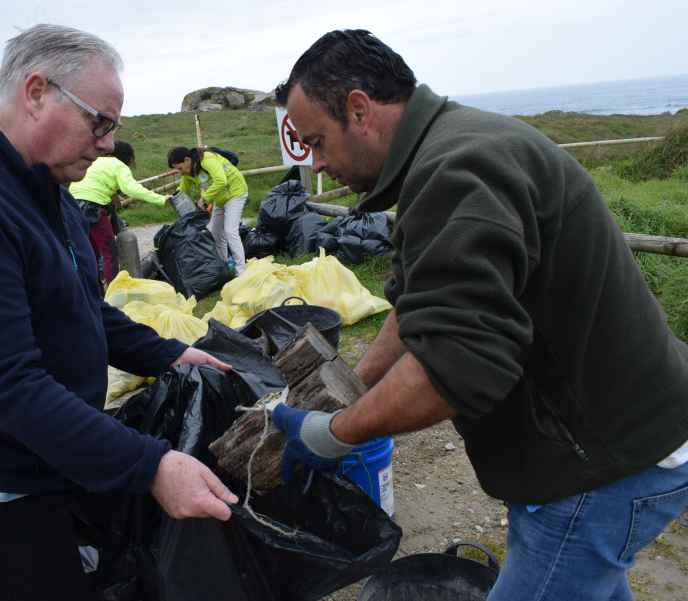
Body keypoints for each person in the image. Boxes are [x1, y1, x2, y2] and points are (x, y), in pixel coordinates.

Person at [270, 29, 688, 600]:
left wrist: (332, 432)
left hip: (604, 462)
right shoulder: (446, 152)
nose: (317, 163)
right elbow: (417, 305)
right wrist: (356, 382)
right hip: (603, 441)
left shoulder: (458, 169)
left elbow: (455, 366)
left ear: (359, 110)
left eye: (318, 141)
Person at [0, 24, 238, 601]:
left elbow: (80, 307)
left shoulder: (44, 185)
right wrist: (151, 466)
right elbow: (7, 385)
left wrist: (167, 352)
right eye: (101, 122)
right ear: (36, 93)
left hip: (40, 451)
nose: (109, 143)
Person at [70, 140, 172, 286]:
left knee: (91, 253)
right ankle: (115, 292)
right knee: (109, 253)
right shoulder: (118, 165)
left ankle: (96, 292)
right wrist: (161, 199)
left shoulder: (96, 161)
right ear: (127, 157)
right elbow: (132, 189)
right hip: (93, 208)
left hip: (72, 206)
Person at [167, 145, 248, 275]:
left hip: (235, 192)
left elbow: (221, 181)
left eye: (180, 168)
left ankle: (241, 273)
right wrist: (172, 198)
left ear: (187, 160)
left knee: (230, 231)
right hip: (220, 198)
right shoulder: (189, 172)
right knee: (216, 234)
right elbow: (182, 190)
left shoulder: (207, 160)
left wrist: (204, 198)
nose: (180, 172)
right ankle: (224, 269)